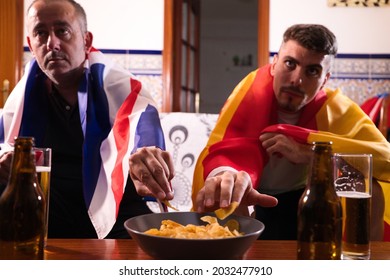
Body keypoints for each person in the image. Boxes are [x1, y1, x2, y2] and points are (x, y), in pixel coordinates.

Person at [192, 24, 390, 240]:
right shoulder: (251, 93)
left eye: (312, 71)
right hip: (254, 198)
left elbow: (384, 158)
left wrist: (312, 154)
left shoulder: (336, 109)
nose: (297, 80)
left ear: (325, 80)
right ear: (274, 64)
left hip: (310, 202)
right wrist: (226, 175)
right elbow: (228, 148)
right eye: (290, 64)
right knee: (230, 193)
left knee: (368, 186)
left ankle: (363, 267)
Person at [0, 0, 175, 239]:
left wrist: (146, 153)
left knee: (151, 236)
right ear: (31, 44)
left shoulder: (119, 88)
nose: (52, 43)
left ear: (86, 40)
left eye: (62, 31)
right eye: (41, 33)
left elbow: (142, 127)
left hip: (116, 210)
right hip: (50, 210)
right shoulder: (22, 98)